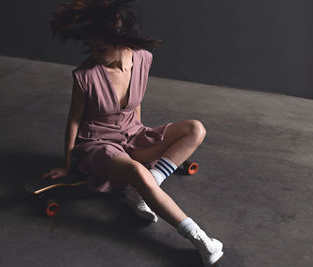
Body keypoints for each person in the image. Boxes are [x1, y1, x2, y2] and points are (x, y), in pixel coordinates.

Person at [43, 1, 223, 266]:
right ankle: (199, 238)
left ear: (121, 40)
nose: (94, 53)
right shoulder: (85, 75)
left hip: (131, 134)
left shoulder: (143, 58)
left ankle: (144, 189)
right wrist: (68, 164)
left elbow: (135, 103)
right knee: (138, 173)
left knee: (195, 129)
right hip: (96, 144)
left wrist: (143, 136)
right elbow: (74, 121)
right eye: (91, 47)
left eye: (101, 48)